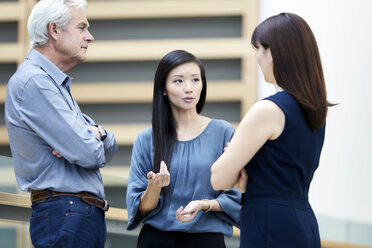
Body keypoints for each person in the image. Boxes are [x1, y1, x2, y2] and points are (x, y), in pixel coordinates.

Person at [211, 13, 333, 248]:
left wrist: (235, 162)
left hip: (269, 224)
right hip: (303, 222)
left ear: (273, 53)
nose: (257, 57)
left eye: (258, 48)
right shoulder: (315, 110)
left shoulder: (268, 110)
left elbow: (218, 178)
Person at [4, 0, 117, 247]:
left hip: (73, 215)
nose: (90, 37)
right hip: (66, 214)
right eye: (82, 27)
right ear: (54, 30)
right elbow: (89, 152)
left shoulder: (53, 85)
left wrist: (97, 133)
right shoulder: (35, 82)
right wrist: (87, 141)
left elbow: (107, 146)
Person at [126, 50, 241, 248]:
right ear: (163, 88)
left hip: (206, 240)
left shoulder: (223, 132)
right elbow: (140, 209)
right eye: (178, 81)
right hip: (156, 240)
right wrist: (154, 187)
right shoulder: (147, 139)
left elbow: (235, 194)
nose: (189, 88)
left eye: (195, 80)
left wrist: (204, 204)